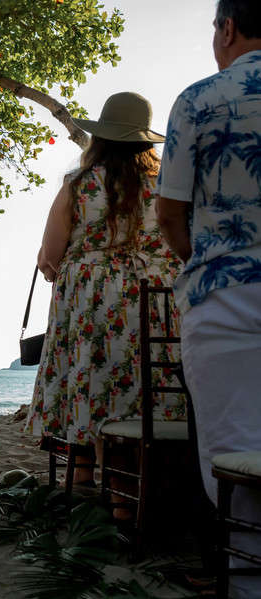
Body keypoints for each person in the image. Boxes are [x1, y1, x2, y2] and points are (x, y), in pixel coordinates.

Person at [25, 92, 184, 486]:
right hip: (157, 301)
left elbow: (49, 255)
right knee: (147, 379)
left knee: (88, 375)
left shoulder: (78, 184)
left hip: (91, 300)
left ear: (101, 138)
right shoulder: (166, 186)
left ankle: (81, 473)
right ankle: (142, 472)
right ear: (146, 143)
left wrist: (77, 269)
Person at [156, 1, 261, 594]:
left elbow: (170, 214)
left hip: (225, 296)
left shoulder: (199, 99)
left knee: (235, 466)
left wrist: (205, 258)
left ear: (227, 26)